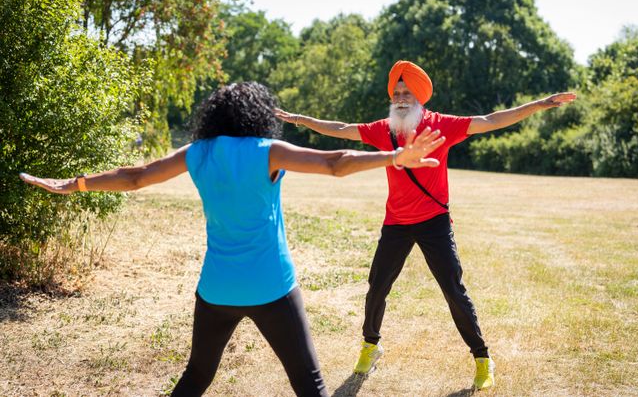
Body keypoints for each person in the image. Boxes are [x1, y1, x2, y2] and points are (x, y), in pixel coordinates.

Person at [19, 82, 446, 397]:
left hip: (216, 290)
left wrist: (73, 185)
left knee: (196, 376)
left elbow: (134, 177)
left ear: (215, 116)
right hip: (272, 288)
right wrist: (393, 156)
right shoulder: (268, 149)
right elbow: (335, 163)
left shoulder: (196, 153)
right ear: (258, 114)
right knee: (310, 384)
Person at [276, 60, 577, 390]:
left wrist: (539, 104)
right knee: (377, 287)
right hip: (396, 223)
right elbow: (342, 128)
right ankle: (370, 347)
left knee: (453, 291)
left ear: (420, 97)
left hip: (434, 222)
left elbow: (491, 120)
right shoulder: (384, 130)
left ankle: (482, 358)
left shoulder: (441, 125)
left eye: (407, 93)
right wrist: (300, 119)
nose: (401, 98)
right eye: (397, 93)